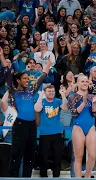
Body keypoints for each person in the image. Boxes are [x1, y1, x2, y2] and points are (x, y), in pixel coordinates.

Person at [1, 47, 51, 177]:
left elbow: (41, 79)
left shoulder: (30, 91)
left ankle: (27, 178)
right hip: (20, 124)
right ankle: (12, 178)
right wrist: (2, 57)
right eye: (24, 79)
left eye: (28, 79)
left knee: (30, 155)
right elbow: (7, 75)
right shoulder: (14, 91)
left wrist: (48, 66)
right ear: (18, 80)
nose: (27, 81)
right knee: (17, 154)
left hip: (32, 125)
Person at [68, 74, 96, 178]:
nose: (85, 83)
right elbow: (74, 114)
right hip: (78, 127)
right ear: (77, 83)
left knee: (92, 156)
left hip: (90, 127)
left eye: (86, 82)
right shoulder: (73, 96)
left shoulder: (92, 97)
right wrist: (84, 102)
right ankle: (78, 178)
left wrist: (94, 104)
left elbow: (95, 114)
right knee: (78, 157)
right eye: (82, 81)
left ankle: (87, 177)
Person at [34, 85, 68, 177]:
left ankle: (56, 177)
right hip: (44, 134)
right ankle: (43, 176)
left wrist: (63, 95)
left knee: (57, 158)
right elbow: (37, 109)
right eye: (49, 91)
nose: (51, 93)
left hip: (57, 134)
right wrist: (40, 96)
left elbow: (65, 107)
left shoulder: (58, 101)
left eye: (53, 91)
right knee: (43, 158)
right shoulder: (42, 101)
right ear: (45, 92)